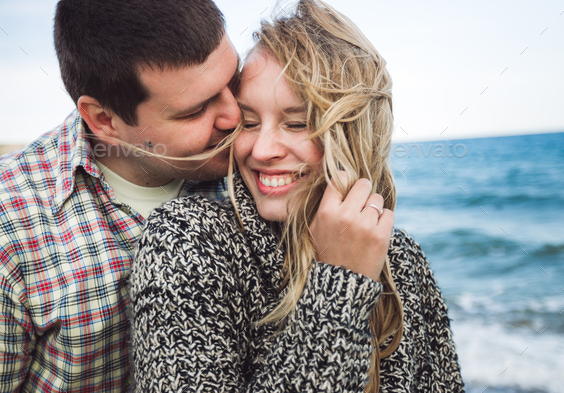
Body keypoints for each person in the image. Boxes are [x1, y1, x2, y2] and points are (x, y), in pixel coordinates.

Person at [131, 0, 465, 392]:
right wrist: (339, 286)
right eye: (250, 122)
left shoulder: (401, 257)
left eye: (297, 123)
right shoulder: (187, 242)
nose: (262, 149)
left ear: (353, 132)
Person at [0, 0, 240, 391]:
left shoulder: (266, 164)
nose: (234, 116)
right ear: (104, 120)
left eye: (233, 81)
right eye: (195, 110)